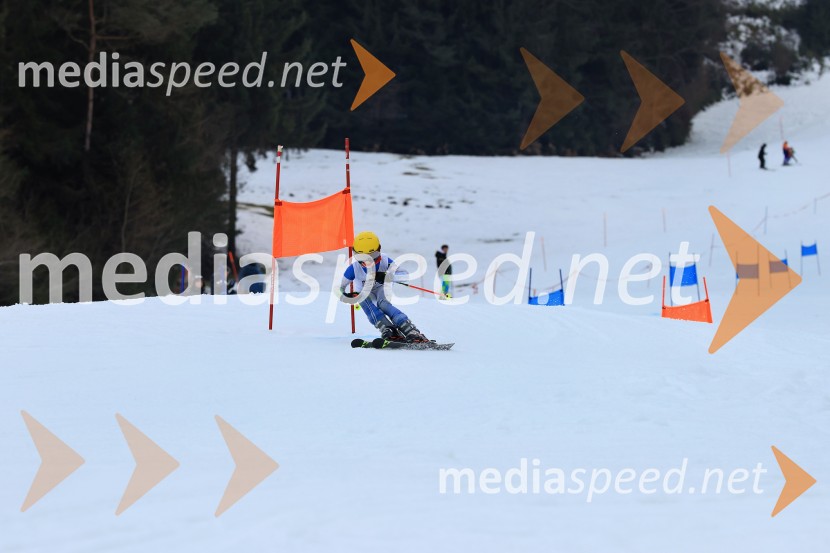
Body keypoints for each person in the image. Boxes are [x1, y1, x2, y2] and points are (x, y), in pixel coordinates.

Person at [340, 231, 428, 342]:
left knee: (383, 304)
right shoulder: (354, 268)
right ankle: (388, 328)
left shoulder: (385, 261)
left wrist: (387, 276)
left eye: (373, 256)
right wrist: (347, 296)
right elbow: (340, 289)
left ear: (379, 250)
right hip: (364, 293)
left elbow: (404, 275)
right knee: (363, 299)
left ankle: (409, 329)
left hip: (382, 289)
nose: (368, 262)